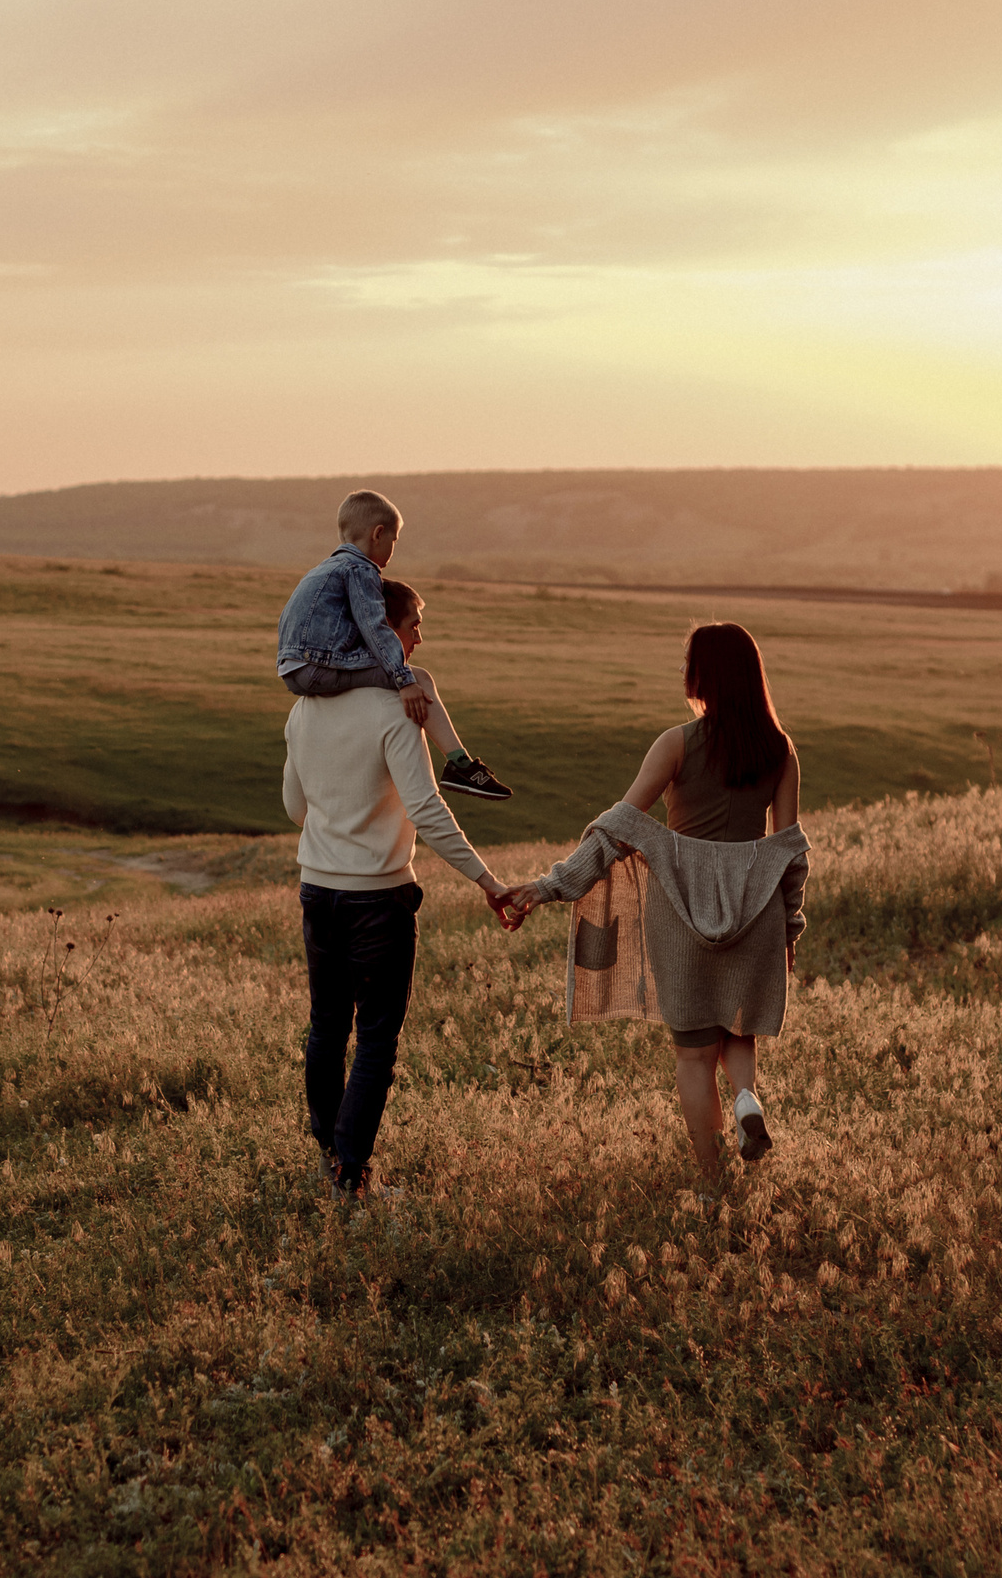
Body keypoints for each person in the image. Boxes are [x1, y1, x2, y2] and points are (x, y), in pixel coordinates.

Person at [506, 623, 808, 1182]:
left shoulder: (676, 743)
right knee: (738, 1030)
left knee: (694, 1054)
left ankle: (712, 1185)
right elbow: (788, 850)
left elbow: (617, 829)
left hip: (682, 914)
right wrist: (789, 930)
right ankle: (746, 1099)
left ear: (702, 676)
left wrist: (548, 886)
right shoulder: (780, 749)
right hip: (756, 911)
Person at [284, 577, 516, 1199]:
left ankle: (330, 1155)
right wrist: (487, 881)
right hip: (376, 900)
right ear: (384, 631)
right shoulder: (398, 708)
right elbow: (428, 811)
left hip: (317, 891)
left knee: (326, 1026)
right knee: (376, 1040)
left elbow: (291, 805)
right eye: (415, 623)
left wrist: (337, 823)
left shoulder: (303, 708)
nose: (421, 635)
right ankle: (351, 1176)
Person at [276, 488, 514, 802]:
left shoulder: (323, 570)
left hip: (293, 667)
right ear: (378, 534)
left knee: (411, 676)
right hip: (318, 666)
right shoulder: (360, 570)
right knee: (421, 678)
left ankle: (462, 765)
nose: (393, 549)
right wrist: (402, 679)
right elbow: (375, 627)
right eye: (395, 540)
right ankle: (461, 765)